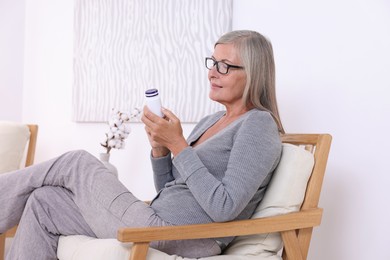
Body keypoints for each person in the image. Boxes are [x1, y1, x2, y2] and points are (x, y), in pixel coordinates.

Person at [0, 30, 284, 260]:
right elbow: (168, 190)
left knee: (77, 163)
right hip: (158, 220)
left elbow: (225, 207)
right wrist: (161, 150)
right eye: (212, 62)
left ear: (254, 73)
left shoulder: (258, 125)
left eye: (224, 66)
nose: (212, 73)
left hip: (186, 236)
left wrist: (179, 146)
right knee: (44, 201)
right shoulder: (211, 121)